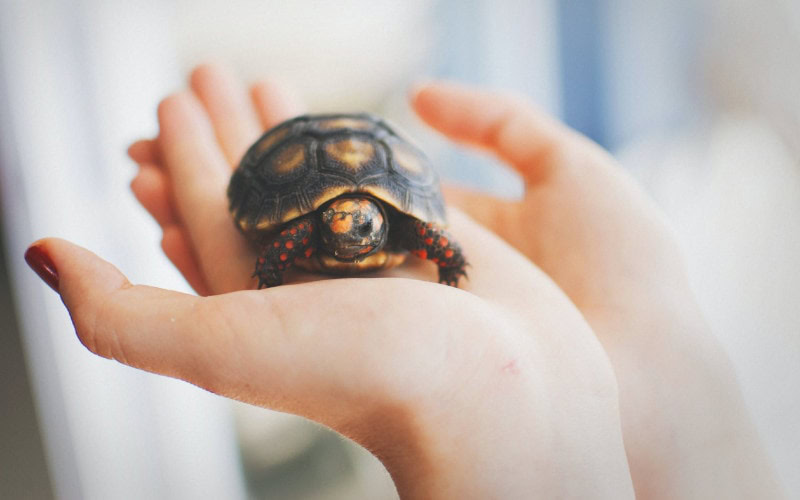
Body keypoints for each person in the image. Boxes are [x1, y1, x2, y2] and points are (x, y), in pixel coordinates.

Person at [24, 64, 783, 499]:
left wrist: (666, 384)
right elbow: (295, 234)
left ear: (383, 226)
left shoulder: (407, 230)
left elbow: (432, 237)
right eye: (341, 224)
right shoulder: (310, 227)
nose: (352, 227)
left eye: (363, 224)